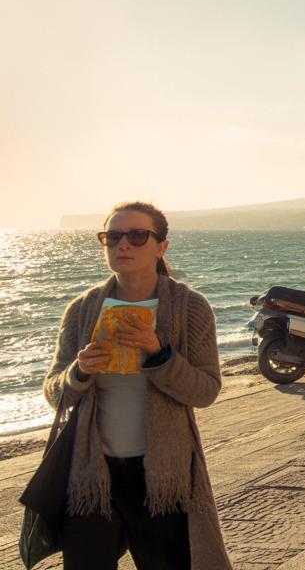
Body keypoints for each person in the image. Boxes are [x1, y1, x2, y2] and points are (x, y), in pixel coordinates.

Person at [42, 201, 230, 569]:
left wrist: (160, 355)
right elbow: (54, 391)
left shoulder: (190, 307)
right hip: (92, 474)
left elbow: (206, 391)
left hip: (162, 475)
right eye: (112, 236)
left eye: (137, 235)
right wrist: (78, 373)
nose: (122, 244)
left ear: (161, 247)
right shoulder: (82, 310)